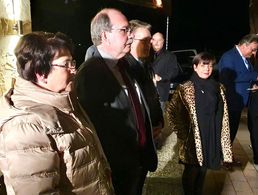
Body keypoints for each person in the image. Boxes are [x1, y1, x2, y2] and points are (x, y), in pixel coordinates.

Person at [0, 32, 114, 195]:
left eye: (72, 63)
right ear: (41, 73)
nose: (74, 71)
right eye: (66, 64)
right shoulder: (26, 125)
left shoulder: (66, 103)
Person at [74, 8, 158, 195]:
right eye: (124, 30)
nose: (130, 36)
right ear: (105, 35)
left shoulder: (124, 64)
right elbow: (95, 129)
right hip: (117, 168)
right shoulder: (90, 74)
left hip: (137, 160)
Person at [166, 52, 233, 195]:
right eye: (203, 65)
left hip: (210, 134)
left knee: (203, 170)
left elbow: (222, 115)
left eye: (210, 66)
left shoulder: (218, 88)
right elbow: (171, 112)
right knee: (192, 171)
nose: (207, 69)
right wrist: (184, 133)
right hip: (193, 138)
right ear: (195, 67)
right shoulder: (185, 88)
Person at [218, 34, 258, 165]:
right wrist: (254, 75)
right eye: (252, 49)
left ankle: (226, 156)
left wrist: (253, 84)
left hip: (239, 102)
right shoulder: (229, 57)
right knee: (228, 132)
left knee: (232, 131)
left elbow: (244, 77)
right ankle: (224, 158)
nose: (253, 53)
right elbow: (226, 78)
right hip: (231, 102)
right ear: (244, 45)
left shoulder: (244, 58)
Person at [125, 19, 164, 144]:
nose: (149, 44)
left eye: (149, 40)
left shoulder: (146, 65)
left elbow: (152, 96)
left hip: (152, 129)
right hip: (138, 136)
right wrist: (143, 130)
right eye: (144, 41)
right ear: (130, 39)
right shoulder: (125, 68)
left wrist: (159, 120)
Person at [151, 32, 179, 111]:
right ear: (151, 41)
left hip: (160, 93)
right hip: (145, 92)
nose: (156, 43)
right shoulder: (145, 54)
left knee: (159, 120)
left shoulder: (170, 56)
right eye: (154, 40)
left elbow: (174, 72)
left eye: (159, 40)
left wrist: (161, 78)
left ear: (163, 41)